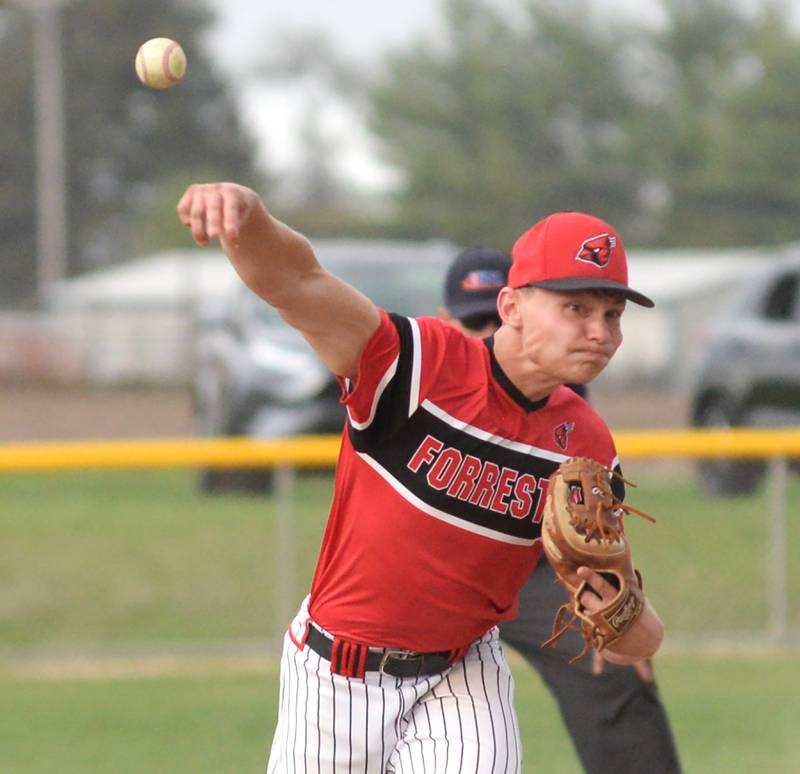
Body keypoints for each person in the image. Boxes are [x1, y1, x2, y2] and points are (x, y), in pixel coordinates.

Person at [177, 183, 665, 773]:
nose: (601, 333)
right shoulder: (414, 365)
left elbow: (636, 640)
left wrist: (619, 611)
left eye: (612, 315)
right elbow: (298, 283)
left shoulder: (586, 448)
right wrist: (247, 216)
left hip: (462, 676)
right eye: (577, 309)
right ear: (510, 307)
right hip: (336, 676)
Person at [439, 246, 682, 774]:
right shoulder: (426, 383)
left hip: (535, 573)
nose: (483, 333)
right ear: (447, 321)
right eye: (471, 319)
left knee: (614, 668)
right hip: (437, 573)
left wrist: (613, 604)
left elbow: (592, 522)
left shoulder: (560, 392)